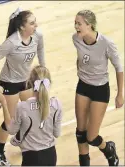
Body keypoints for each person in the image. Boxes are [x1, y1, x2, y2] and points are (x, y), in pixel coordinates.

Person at [0, 8, 45, 165]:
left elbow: (40, 49)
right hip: (9, 83)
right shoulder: (11, 42)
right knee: (10, 121)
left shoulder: (38, 37)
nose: (36, 25)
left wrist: (42, 72)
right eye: (32, 23)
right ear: (21, 27)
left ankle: (20, 139)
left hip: (25, 81)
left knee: (31, 112)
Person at [72, 9, 124, 166]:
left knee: (92, 137)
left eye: (79, 23)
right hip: (83, 86)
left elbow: (119, 68)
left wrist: (120, 94)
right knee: (80, 133)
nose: (75, 26)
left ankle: (108, 149)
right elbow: (81, 58)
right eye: (75, 23)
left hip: (100, 89)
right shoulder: (76, 39)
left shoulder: (106, 43)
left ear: (90, 25)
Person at [0, 65, 62, 166]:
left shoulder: (23, 107)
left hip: (31, 158)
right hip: (51, 156)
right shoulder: (56, 104)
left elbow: (11, 130)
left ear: (29, 83)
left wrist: (4, 103)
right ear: (49, 83)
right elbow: (57, 133)